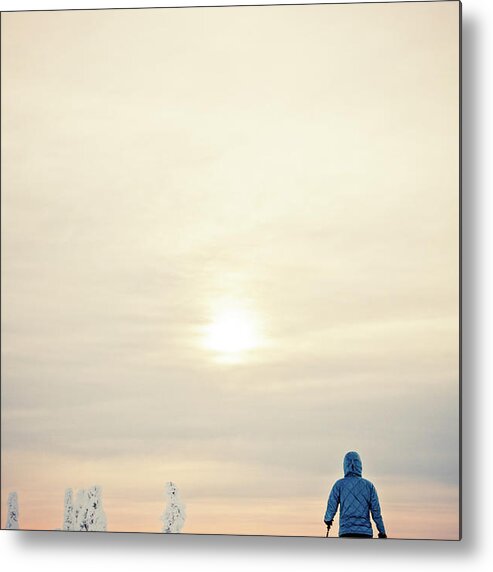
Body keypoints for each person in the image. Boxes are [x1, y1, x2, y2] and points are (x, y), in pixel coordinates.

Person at [324, 451, 387, 538]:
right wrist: (382, 531)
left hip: (346, 531)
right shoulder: (369, 486)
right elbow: (376, 512)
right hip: (365, 533)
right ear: (360, 465)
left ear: (345, 466)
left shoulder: (339, 485)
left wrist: (328, 519)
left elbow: (332, 505)